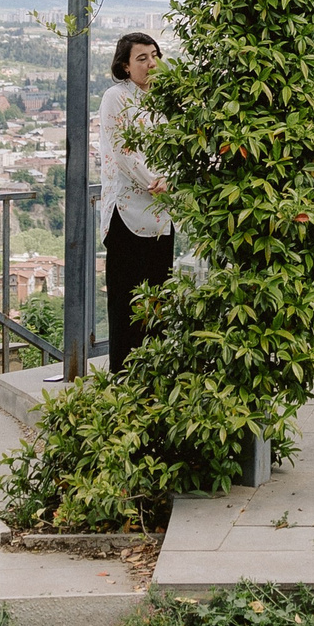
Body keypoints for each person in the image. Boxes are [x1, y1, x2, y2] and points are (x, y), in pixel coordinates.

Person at [98, 31, 174, 375]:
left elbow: (177, 144)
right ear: (125, 66)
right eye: (141, 58)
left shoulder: (164, 100)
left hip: (161, 213)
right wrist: (152, 181)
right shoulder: (115, 98)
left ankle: (154, 373)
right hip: (126, 211)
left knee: (158, 297)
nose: (150, 64)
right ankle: (124, 375)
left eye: (154, 56)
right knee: (126, 298)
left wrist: (170, 178)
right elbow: (122, 150)